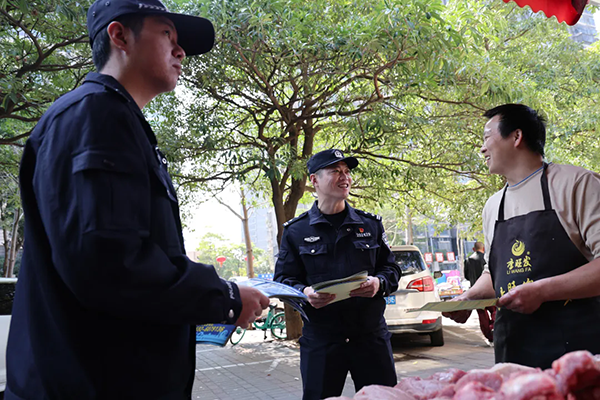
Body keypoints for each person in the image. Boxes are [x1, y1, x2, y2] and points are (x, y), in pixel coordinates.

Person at [7, 1, 269, 398]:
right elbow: (109, 264)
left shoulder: (115, 119)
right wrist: (226, 297)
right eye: (167, 34)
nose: (181, 51)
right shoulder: (95, 115)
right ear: (119, 36)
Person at [444, 104, 600, 369]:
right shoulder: (493, 205)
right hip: (513, 352)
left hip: (575, 352)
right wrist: (468, 298)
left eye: (487, 137)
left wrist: (541, 291)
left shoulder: (576, 184)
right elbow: (495, 273)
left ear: (516, 137)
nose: (482, 149)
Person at [274, 149, 402, 400]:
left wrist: (379, 283)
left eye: (347, 171)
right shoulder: (296, 231)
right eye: (335, 171)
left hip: (370, 339)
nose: (345, 177)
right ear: (314, 180)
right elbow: (283, 281)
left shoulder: (370, 224)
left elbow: (392, 269)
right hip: (322, 341)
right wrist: (304, 293)